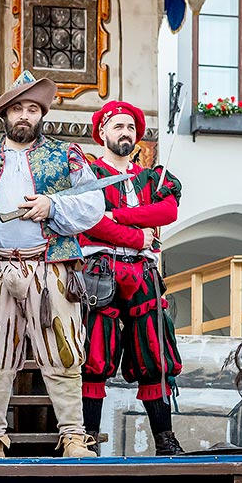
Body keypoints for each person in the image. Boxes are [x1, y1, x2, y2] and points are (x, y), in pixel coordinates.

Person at [0, 74, 104, 458]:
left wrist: (53, 205)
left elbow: (93, 205)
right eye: (17, 108)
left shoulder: (67, 156)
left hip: (50, 269)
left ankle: (74, 437)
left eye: (32, 109)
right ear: (5, 114)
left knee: (63, 352)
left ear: (41, 114)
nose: (25, 116)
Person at [78, 100, 184, 456]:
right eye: (118, 126)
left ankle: (165, 440)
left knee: (155, 355)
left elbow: (167, 211)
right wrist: (139, 232)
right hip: (100, 271)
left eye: (130, 128)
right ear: (103, 132)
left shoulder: (151, 177)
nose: (125, 132)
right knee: (94, 356)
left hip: (143, 273)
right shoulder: (89, 175)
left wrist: (118, 215)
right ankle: (88, 439)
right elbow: (91, 221)